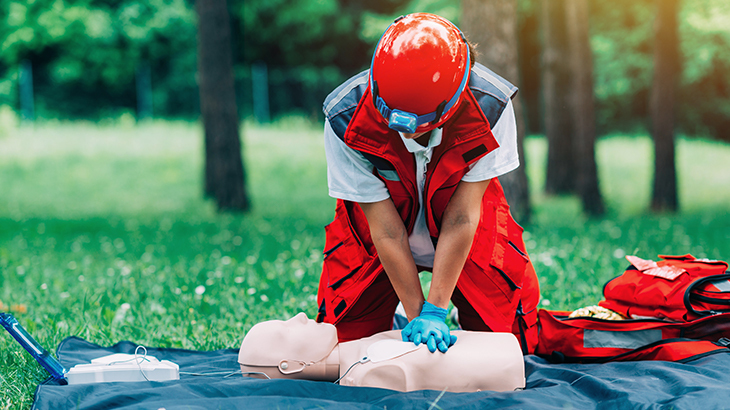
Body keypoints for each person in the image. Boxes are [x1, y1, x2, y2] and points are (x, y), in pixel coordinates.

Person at [316, 13, 540, 354]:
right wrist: (417, 313)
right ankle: (391, 314)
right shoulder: (345, 118)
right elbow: (386, 231)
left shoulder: (491, 107)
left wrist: (436, 311)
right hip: (375, 238)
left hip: (468, 230)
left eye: (418, 124)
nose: (404, 132)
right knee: (341, 347)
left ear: (451, 106)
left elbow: (463, 216)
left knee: (511, 345)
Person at [238, 313, 525, 392]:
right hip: (506, 366)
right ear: (289, 366)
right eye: (285, 331)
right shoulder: (370, 371)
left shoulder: (362, 354)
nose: (299, 316)